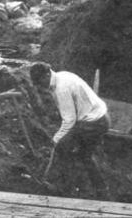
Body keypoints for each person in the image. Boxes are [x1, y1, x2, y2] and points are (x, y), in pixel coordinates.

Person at [29, 62, 109, 197]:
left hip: (92, 123)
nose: (40, 86)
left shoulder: (61, 89)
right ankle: (101, 189)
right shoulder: (63, 75)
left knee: (62, 147)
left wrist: (56, 139)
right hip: (101, 118)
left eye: (40, 81)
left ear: (47, 74)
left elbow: (70, 120)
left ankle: (66, 189)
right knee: (84, 155)